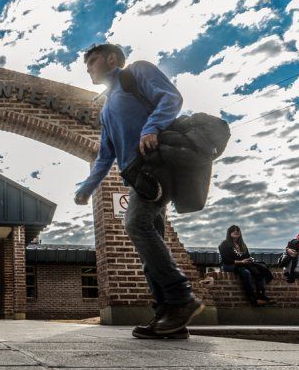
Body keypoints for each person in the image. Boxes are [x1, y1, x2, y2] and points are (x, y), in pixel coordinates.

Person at [74, 43, 203, 339]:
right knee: (149, 242)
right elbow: (105, 156)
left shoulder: (137, 73)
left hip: (157, 164)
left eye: (92, 61)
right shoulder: (106, 110)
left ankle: (181, 298)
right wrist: (86, 188)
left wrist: (151, 128)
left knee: (136, 224)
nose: (89, 69)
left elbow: (170, 97)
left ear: (110, 59)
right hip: (137, 177)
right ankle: (167, 317)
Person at [218, 225, 274, 307]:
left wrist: (249, 260)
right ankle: (253, 300)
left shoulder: (242, 245)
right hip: (228, 265)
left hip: (243, 265)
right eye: (233, 230)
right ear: (229, 233)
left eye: (238, 230)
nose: (236, 231)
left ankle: (261, 296)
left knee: (258, 271)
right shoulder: (224, 244)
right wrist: (241, 261)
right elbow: (226, 260)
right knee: (246, 272)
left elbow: (247, 256)